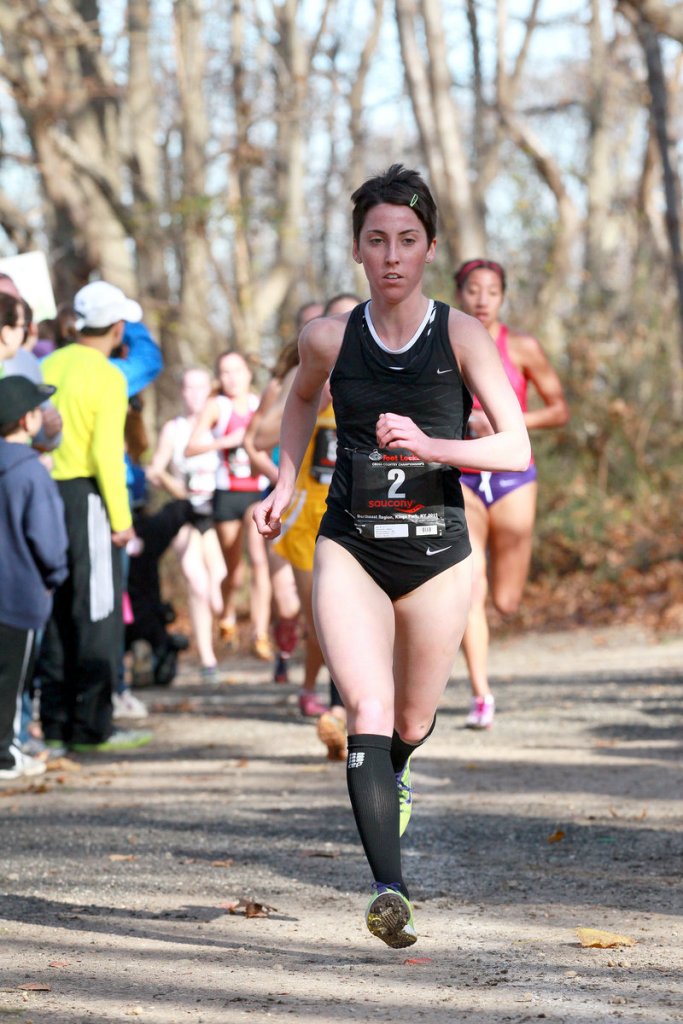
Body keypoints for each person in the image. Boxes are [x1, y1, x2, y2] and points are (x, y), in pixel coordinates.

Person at [254, 164, 530, 948]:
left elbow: (513, 440)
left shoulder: (462, 335)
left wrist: (432, 444)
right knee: (365, 711)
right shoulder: (327, 338)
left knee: (410, 718)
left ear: (429, 248)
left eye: (406, 240)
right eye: (375, 241)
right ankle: (390, 891)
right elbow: (301, 399)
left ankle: (396, 767)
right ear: (357, 251)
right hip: (351, 545)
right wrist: (285, 478)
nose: (391, 256)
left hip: (439, 553)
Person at [454, 259, 570, 729]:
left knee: (505, 600)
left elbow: (559, 408)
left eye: (492, 291)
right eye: (473, 290)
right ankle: (481, 694)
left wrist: (512, 424)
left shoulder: (521, 347)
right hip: (461, 474)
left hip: (512, 476)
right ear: (459, 293)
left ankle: (487, 668)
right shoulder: (444, 343)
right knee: (470, 588)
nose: (482, 299)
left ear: (503, 297)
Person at [38, 281, 152, 753]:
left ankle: (57, 724)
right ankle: (92, 727)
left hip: (42, 493)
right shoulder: (108, 376)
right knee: (98, 612)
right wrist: (122, 521)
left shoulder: (47, 363)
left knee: (57, 607)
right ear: (119, 327)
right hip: (88, 499)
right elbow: (109, 453)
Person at [253, 293, 362, 745]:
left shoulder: (391, 370)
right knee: (320, 617)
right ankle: (321, 692)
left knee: (360, 613)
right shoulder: (307, 377)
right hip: (310, 515)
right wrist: (285, 483)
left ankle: (347, 706)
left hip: (372, 511)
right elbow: (257, 438)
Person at [0, 376, 68, 780]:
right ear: (27, 420)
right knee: (12, 680)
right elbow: (48, 538)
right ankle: (5, 754)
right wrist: (55, 573)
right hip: (20, 595)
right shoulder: (32, 473)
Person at [185, 351, 272, 659]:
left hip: (256, 492)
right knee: (233, 573)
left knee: (259, 559)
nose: (231, 377)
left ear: (249, 373)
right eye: (224, 372)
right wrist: (226, 441)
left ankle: (260, 632)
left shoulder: (260, 403)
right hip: (226, 493)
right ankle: (228, 614)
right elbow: (191, 447)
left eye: (236, 370)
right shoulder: (216, 406)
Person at [146, 367, 227, 680]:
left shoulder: (219, 426)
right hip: (183, 515)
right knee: (197, 583)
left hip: (214, 514)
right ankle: (207, 659)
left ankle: (219, 627)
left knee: (217, 581)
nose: (194, 395)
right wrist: (176, 486)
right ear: (181, 392)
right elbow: (155, 470)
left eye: (200, 388)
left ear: (210, 391)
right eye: (188, 389)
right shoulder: (174, 429)